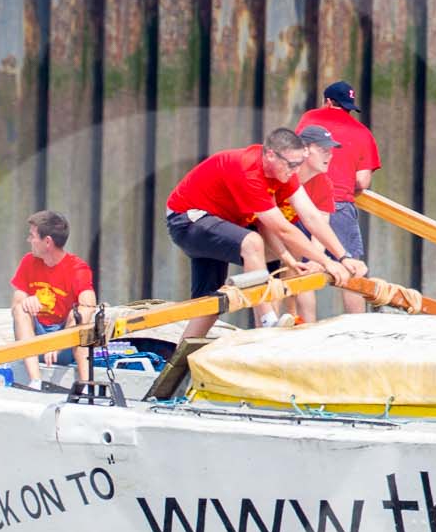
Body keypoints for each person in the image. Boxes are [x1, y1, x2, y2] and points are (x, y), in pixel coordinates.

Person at [163, 128, 360, 340]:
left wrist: (343, 256)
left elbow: (312, 217)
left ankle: (177, 364)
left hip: (222, 222)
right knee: (252, 242)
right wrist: (325, 261)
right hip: (187, 219)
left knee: (210, 302)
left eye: (298, 164)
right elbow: (282, 229)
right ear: (270, 155)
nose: (295, 170)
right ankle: (266, 321)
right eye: (291, 164)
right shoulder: (249, 172)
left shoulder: (285, 174)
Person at [295, 80, 381, 315]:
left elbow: (294, 155)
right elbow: (363, 181)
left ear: (327, 101)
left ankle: (304, 327)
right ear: (349, 106)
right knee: (353, 270)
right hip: (340, 204)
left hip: (302, 200)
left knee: (301, 269)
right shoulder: (363, 132)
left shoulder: (309, 119)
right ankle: (358, 330)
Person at [10, 209, 98, 387]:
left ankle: (87, 385)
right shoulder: (28, 262)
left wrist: (57, 343)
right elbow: (15, 306)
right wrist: (26, 301)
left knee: (80, 317)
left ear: (47, 242)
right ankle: (35, 381)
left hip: (64, 345)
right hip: (35, 340)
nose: (29, 241)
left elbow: (89, 306)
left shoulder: (77, 268)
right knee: (21, 309)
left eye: (32, 236)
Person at [270, 124, 346, 324]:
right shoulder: (283, 174)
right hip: (259, 227)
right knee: (280, 264)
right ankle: (270, 326)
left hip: (285, 231)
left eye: (330, 150)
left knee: (305, 264)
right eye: (323, 149)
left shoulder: (322, 183)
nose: (329, 155)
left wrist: (317, 259)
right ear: (304, 149)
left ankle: (305, 325)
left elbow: (320, 225)